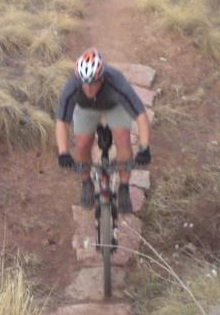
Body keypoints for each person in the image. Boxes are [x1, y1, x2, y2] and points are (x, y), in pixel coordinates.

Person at [55, 48, 151, 214]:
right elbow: (62, 121)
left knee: (123, 140)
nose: (88, 89)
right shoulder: (72, 85)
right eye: (84, 83)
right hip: (86, 108)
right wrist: (63, 152)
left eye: (93, 83)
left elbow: (140, 115)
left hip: (114, 106)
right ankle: (86, 183)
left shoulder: (117, 82)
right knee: (82, 145)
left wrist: (144, 147)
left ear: (102, 77)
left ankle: (123, 187)